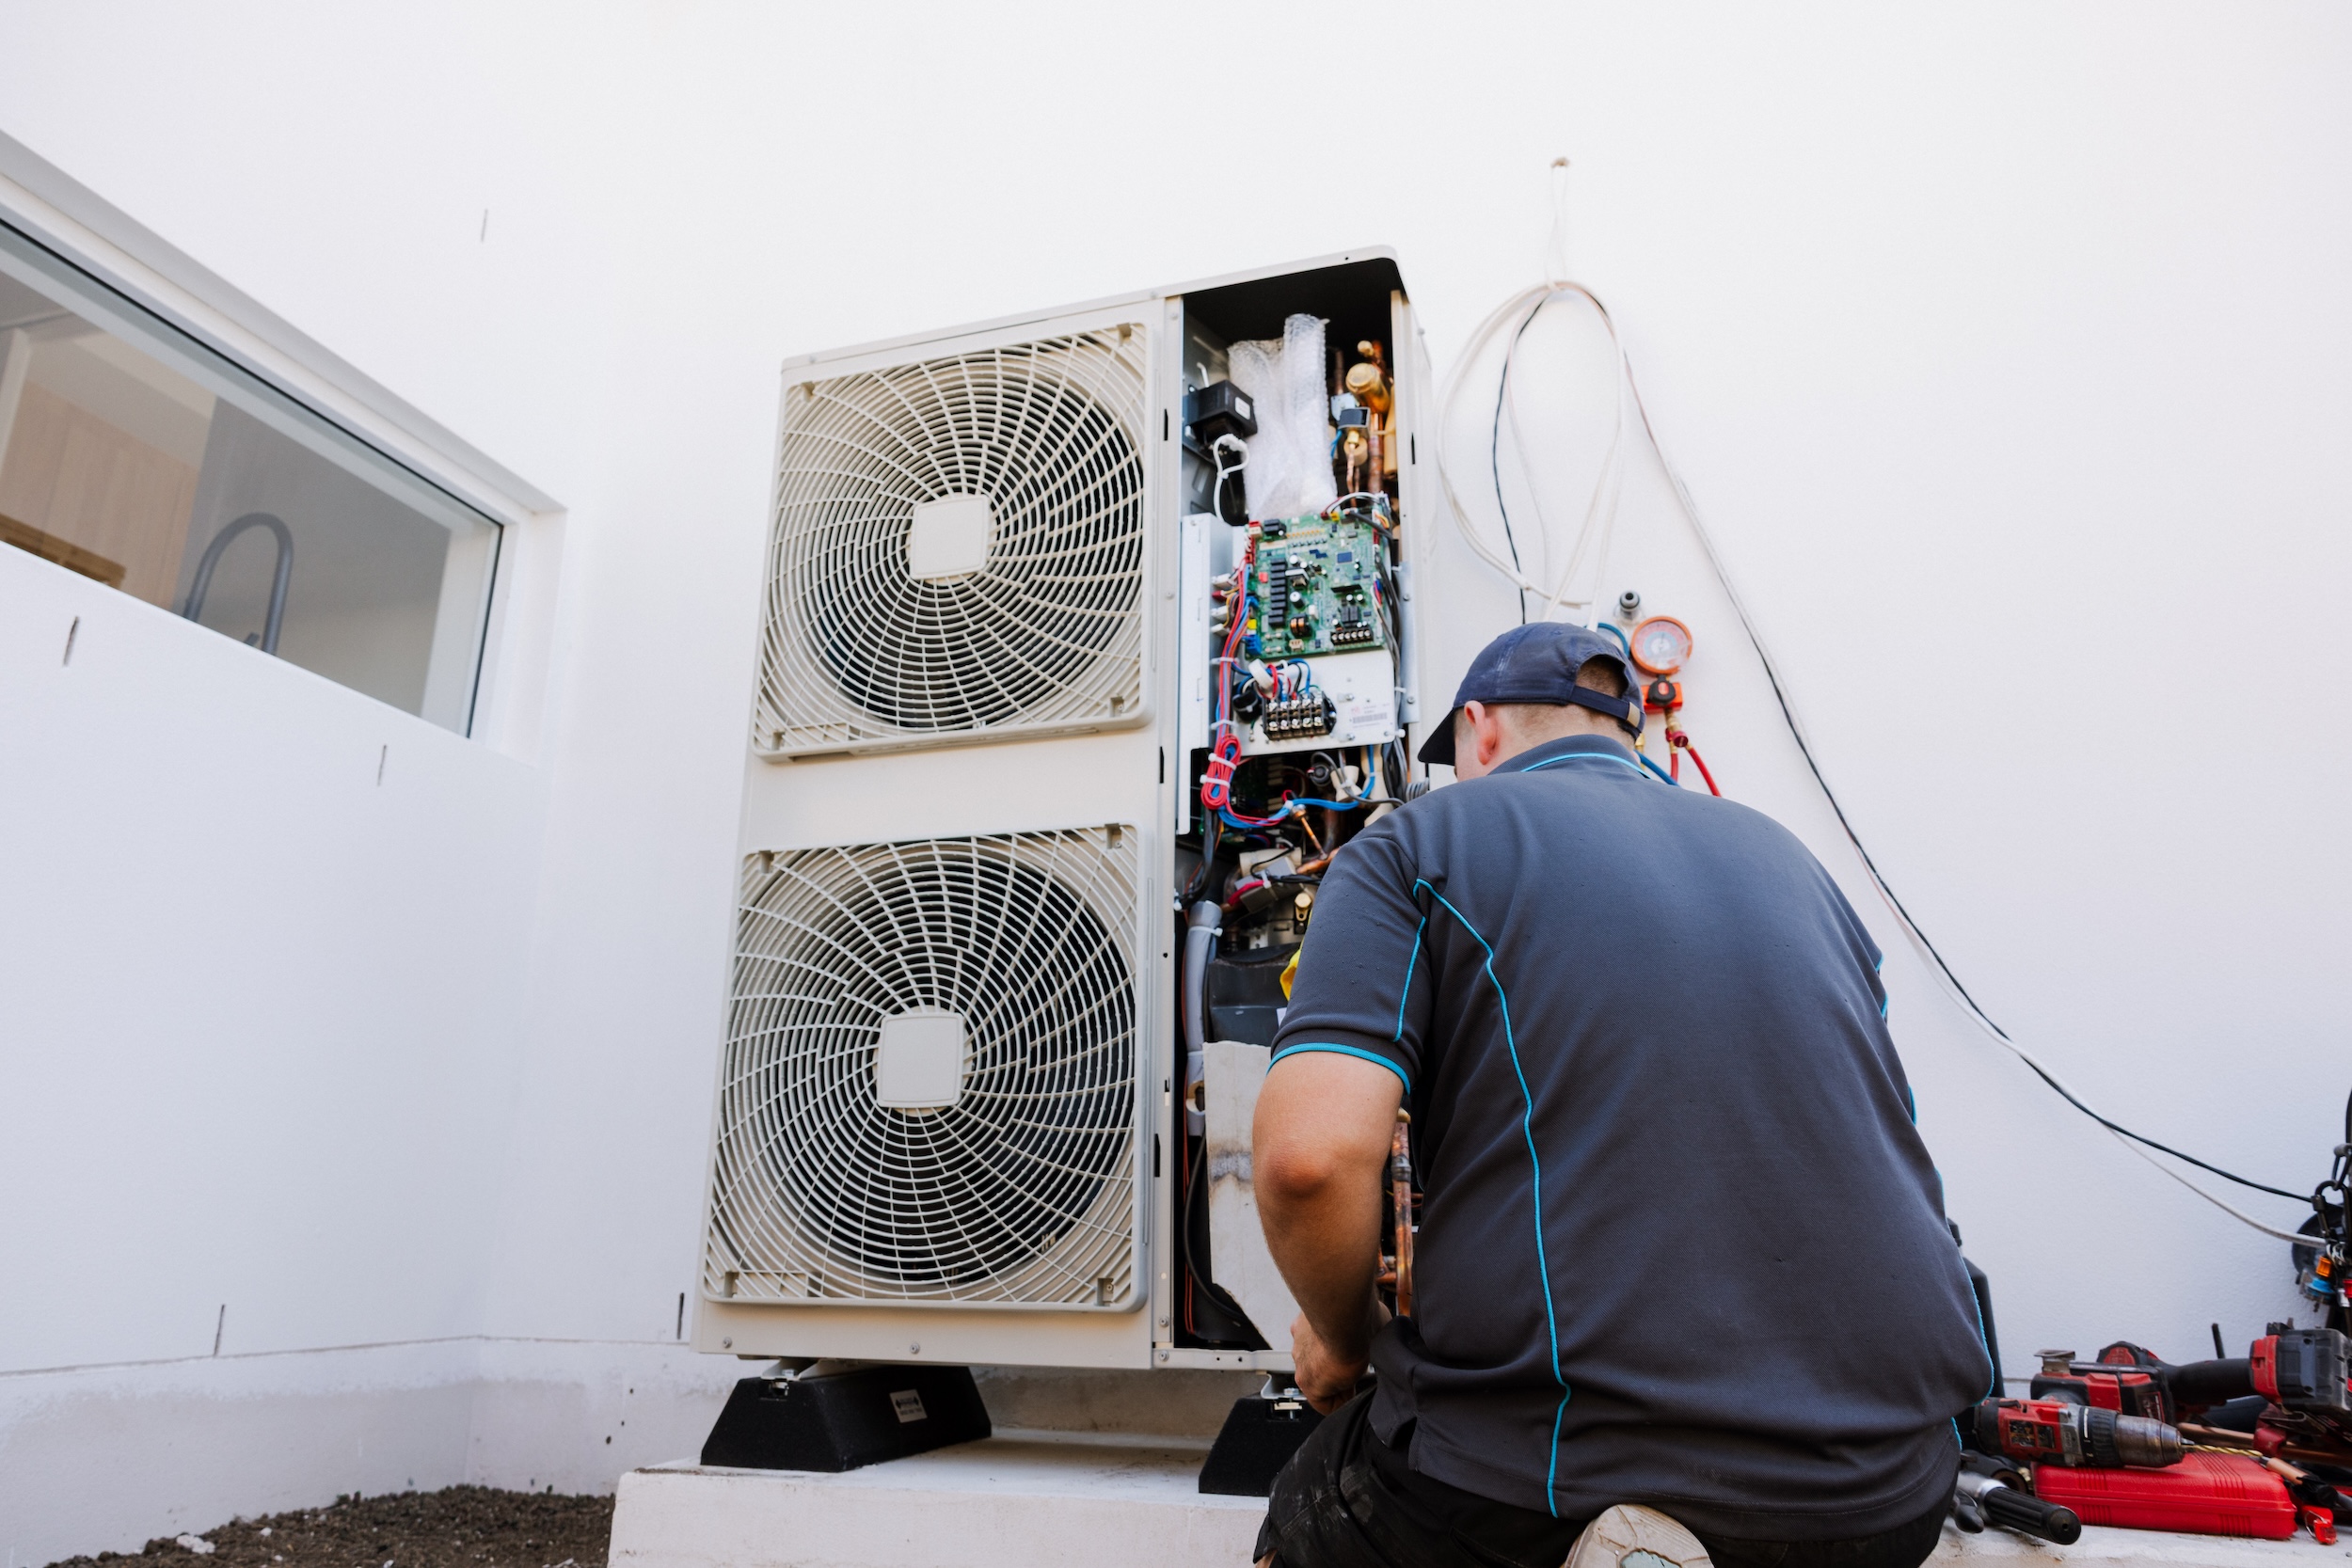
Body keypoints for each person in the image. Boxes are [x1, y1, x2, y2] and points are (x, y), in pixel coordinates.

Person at [1249, 622, 1992, 1568]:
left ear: (1479, 728)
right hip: (1896, 1488)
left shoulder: (1419, 840)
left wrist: (1343, 1342)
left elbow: (1309, 1161)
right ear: (1629, 731)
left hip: (1563, 1472)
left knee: (1316, 1503)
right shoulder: (1792, 860)